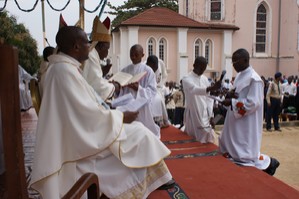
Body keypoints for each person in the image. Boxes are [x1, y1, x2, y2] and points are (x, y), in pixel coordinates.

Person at [29, 26, 174, 199]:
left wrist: (111, 113)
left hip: (76, 134)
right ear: (75, 46)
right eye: (86, 42)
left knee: (137, 131)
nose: (89, 47)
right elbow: (86, 114)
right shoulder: (63, 71)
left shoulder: (64, 67)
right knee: (139, 133)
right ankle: (143, 183)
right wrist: (120, 117)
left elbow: (84, 107)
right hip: (78, 143)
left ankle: (154, 179)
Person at [219, 48, 280, 176]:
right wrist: (230, 94)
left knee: (244, 152)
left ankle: (270, 164)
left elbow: (253, 103)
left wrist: (232, 102)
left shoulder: (254, 79)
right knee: (230, 143)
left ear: (245, 60)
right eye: (233, 61)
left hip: (246, 121)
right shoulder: (241, 75)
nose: (233, 64)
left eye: (235, 61)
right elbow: (238, 93)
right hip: (236, 117)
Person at [116, 44, 160, 138]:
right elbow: (119, 90)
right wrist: (118, 87)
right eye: (131, 55)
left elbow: (152, 90)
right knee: (129, 131)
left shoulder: (148, 71)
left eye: (136, 54)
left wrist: (138, 89)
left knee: (143, 131)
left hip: (142, 105)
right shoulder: (125, 70)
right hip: (127, 103)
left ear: (142, 55)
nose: (133, 57)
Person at [181, 56, 221, 143]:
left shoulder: (204, 79)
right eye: (200, 68)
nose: (202, 71)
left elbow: (209, 99)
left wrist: (211, 115)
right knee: (193, 140)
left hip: (205, 114)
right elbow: (194, 90)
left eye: (204, 69)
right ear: (194, 65)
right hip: (193, 112)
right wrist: (211, 88)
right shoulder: (186, 78)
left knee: (208, 138)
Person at [82, 16, 120, 101]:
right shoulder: (91, 56)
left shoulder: (92, 54)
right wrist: (114, 87)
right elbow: (97, 85)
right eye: (107, 49)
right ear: (101, 46)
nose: (107, 53)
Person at [146, 55, 170, 128]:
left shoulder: (161, 63)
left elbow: (165, 75)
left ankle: (164, 121)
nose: (154, 69)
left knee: (160, 100)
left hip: (158, 87)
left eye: (155, 67)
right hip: (148, 89)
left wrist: (160, 85)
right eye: (152, 67)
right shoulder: (144, 67)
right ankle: (151, 121)